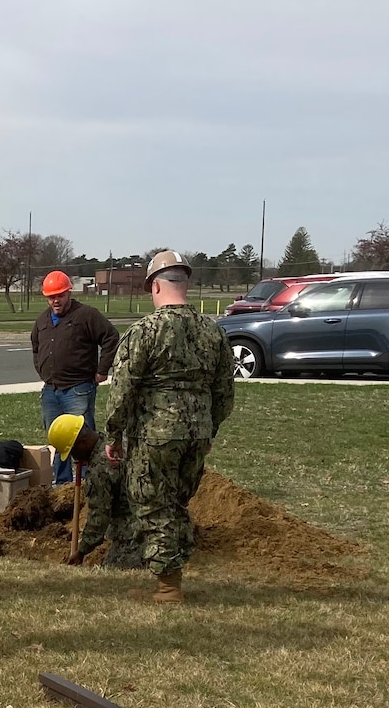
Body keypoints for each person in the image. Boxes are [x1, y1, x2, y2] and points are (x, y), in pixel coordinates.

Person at [103, 249, 236, 601]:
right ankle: (172, 575)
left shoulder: (144, 331)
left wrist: (113, 433)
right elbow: (224, 390)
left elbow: (123, 389)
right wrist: (209, 429)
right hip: (197, 432)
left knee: (152, 503)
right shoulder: (214, 332)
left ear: (155, 287)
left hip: (155, 433)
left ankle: (168, 584)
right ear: (186, 284)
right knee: (177, 502)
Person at [30, 268, 119, 485]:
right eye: (51, 297)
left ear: (69, 293)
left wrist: (101, 369)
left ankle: (91, 482)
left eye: (60, 295)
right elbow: (35, 346)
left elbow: (111, 337)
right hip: (51, 391)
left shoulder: (86, 315)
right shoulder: (42, 320)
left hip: (78, 389)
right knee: (58, 439)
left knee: (82, 439)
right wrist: (42, 371)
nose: (56, 301)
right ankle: (63, 484)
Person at [50, 415, 142, 569]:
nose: (74, 459)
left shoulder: (100, 469)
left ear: (83, 443)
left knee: (113, 572)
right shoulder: (116, 443)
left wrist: (82, 550)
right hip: (153, 518)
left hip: (135, 532)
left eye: (73, 452)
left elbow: (99, 516)